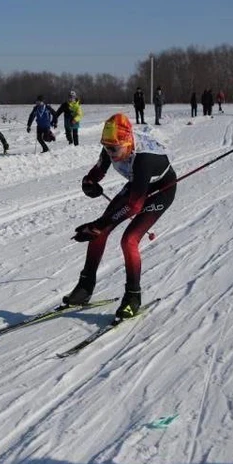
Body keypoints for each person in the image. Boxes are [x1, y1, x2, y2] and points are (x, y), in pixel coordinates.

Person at [62, 113, 176, 320]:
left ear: (128, 142)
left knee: (129, 240)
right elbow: (97, 171)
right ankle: (85, 288)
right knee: (100, 232)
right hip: (137, 186)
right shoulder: (113, 144)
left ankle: (133, 297)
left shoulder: (144, 159)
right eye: (106, 147)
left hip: (161, 190)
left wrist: (100, 223)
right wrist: (88, 183)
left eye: (114, 149)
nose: (110, 152)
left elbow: (134, 206)